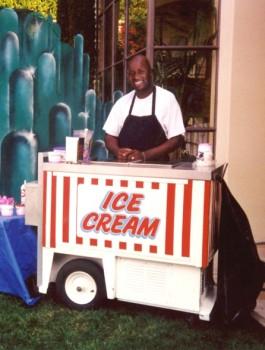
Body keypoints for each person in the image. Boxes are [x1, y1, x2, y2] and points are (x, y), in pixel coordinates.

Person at [103, 54, 185, 162]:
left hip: (157, 173)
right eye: (131, 73)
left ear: (151, 73)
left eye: (141, 72)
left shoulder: (167, 99)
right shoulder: (122, 103)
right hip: (124, 171)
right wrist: (117, 151)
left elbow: (177, 139)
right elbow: (110, 137)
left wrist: (145, 155)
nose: (136, 76)